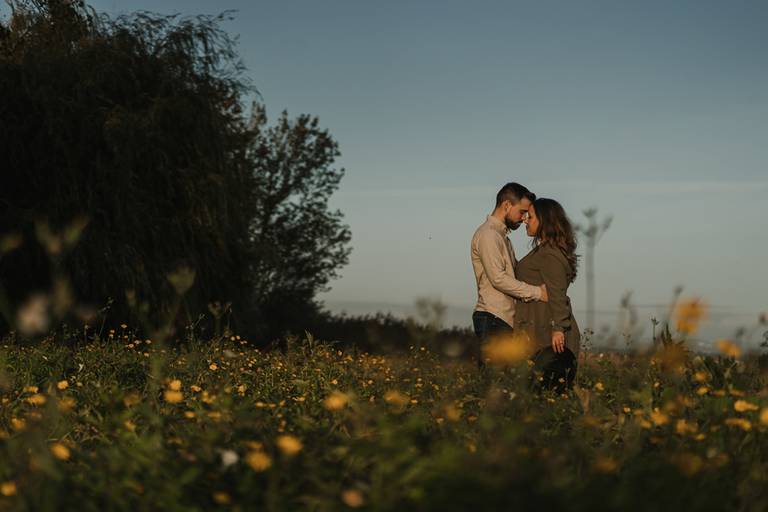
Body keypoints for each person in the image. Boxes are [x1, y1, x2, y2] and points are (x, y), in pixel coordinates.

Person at [470, 182, 548, 369]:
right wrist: (538, 293)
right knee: (493, 386)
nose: (523, 218)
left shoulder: (502, 237)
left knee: (503, 387)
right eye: (522, 212)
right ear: (506, 205)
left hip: (502, 319)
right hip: (493, 318)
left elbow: (515, 274)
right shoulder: (489, 235)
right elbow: (498, 278)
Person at [513, 198, 581, 393]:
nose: (526, 220)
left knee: (545, 391)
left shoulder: (549, 253)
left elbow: (557, 294)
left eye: (531, 216)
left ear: (545, 221)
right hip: (540, 324)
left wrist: (559, 329)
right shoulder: (544, 250)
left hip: (547, 330)